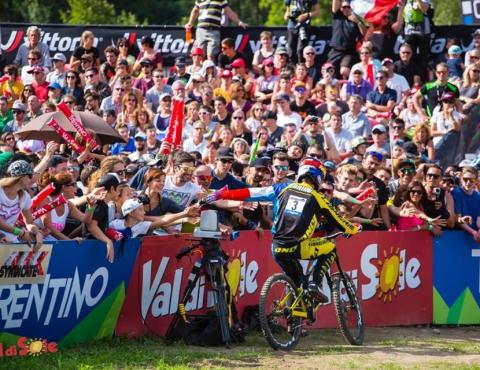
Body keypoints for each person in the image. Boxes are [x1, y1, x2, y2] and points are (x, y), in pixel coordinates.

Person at [207, 157, 358, 306]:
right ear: (318, 178)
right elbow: (338, 220)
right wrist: (353, 229)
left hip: (277, 247)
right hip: (299, 246)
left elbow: (250, 192)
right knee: (330, 248)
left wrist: (222, 194)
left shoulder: (281, 188)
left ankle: (294, 321)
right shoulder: (319, 198)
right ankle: (315, 284)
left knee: (297, 282)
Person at [0, 160, 43, 245]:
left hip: (11, 243)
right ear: (22, 177)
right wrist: (20, 232)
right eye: (30, 176)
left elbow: (29, 222)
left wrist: (37, 232)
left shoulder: (25, 197)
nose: (32, 180)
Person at [328, 0, 367, 80]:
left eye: (348, 7)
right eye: (344, 7)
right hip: (335, 51)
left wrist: (358, 22)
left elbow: (364, 33)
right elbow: (335, 4)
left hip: (348, 52)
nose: (346, 9)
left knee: (344, 71)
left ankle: (347, 88)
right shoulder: (338, 16)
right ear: (341, 8)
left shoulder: (356, 20)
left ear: (351, 8)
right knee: (328, 72)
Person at [284, 0, 320, 64]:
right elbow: (287, 11)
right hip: (291, 27)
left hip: (304, 27)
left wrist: (307, 15)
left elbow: (318, 12)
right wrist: (287, 15)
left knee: (300, 51)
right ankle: (293, 71)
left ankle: (301, 69)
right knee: (290, 52)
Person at [452, 166, 480, 242]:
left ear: (476, 181)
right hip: (458, 236)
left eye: (471, 180)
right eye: (465, 179)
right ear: (461, 179)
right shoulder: (456, 193)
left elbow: (478, 219)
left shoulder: (478, 196)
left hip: (475, 237)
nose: (468, 182)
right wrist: (473, 232)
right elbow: (457, 219)